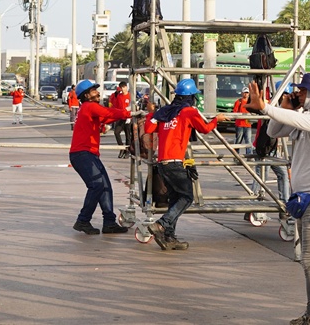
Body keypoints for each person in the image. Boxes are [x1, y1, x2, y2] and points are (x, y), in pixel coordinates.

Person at [246, 72, 310, 325]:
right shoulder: (306, 118)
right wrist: (284, 106)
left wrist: (266, 106)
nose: (298, 94)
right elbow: (274, 131)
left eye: (303, 91)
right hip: (306, 199)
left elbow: (295, 121)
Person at [148, 79, 227, 251]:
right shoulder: (189, 111)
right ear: (190, 97)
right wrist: (216, 119)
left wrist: (152, 114)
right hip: (175, 163)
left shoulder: (165, 112)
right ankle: (162, 224)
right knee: (187, 197)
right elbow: (205, 128)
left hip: (162, 163)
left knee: (175, 199)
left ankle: (169, 238)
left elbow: (148, 129)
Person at [69, 79, 136, 235]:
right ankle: (83, 220)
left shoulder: (89, 108)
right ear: (86, 95)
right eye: (94, 91)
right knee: (97, 185)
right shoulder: (89, 106)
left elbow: (107, 118)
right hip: (82, 154)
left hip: (87, 154)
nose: (97, 93)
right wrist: (129, 113)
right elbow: (108, 113)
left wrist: (126, 115)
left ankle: (109, 222)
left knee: (105, 186)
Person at [109, 81, 132, 149]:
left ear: (126, 87)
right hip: (121, 117)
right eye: (121, 87)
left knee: (128, 135)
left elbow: (133, 106)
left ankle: (128, 150)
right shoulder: (119, 96)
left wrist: (130, 116)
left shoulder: (130, 96)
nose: (123, 89)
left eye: (124, 87)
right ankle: (121, 147)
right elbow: (116, 106)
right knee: (116, 132)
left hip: (128, 118)